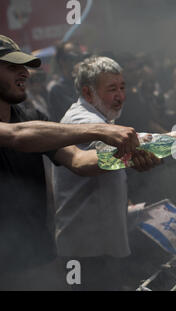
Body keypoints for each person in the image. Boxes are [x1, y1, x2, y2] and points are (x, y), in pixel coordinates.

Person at [0, 35, 154, 290]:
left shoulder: (29, 115)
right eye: (11, 67)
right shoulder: (26, 126)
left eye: (23, 66)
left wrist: (133, 155)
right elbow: (17, 136)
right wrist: (98, 130)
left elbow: (79, 160)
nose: (24, 73)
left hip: (38, 256)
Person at [52, 55, 176, 290]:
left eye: (122, 87)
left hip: (102, 244)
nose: (120, 96)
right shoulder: (81, 120)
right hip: (85, 251)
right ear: (88, 93)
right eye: (112, 89)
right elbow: (115, 151)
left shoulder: (100, 118)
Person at [47, 41, 87, 122]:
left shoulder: (89, 82)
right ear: (62, 61)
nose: (78, 61)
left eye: (80, 56)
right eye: (72, 57)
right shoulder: (57, 90)